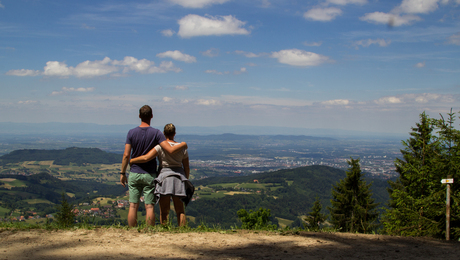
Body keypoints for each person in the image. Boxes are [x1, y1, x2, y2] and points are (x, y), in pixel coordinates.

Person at [120, 105, 187, 227]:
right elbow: (170, 150)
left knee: (133, 205)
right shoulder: (156, 133)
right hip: (150, 174)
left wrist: (123, 172)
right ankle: (150, 231)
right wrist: (183, 144)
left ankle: (132, 232)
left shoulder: (131, 132)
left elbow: (126, 155)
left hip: (135, 172)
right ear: (152, 116)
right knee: (149, 206)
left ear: (139, 116)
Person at [130, 123, 193, 227]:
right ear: (174, 133)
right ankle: (182, 231)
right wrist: (185, 178)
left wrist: (132, 160)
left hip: (164, 178)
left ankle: (165, 230)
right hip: (179, 178)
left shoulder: (160, 147)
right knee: (180, 210)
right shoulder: (182, 148)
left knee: (164, 211)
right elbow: (186, 166)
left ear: (164, 133)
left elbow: (146, 157)